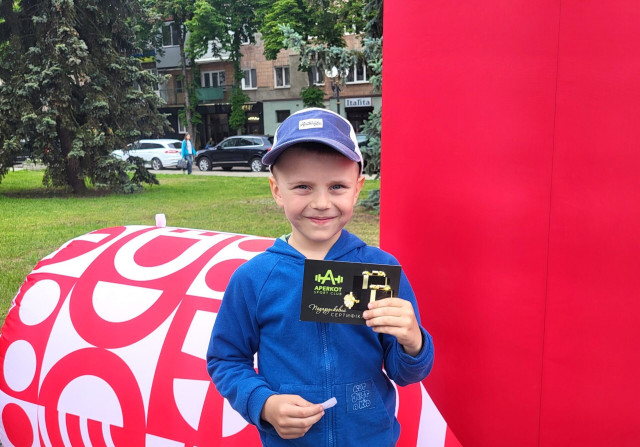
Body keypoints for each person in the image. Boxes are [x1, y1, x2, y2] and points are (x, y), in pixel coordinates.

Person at [207, 108, 434, 446]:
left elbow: (406, 373)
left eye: (337, 186)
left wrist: (413, 342)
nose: (322, 202)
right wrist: (264, 404)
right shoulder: (254, 279)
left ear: (357, 189)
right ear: (276, 190)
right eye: (303, 186)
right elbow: (225, 358)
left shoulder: (379, 269)